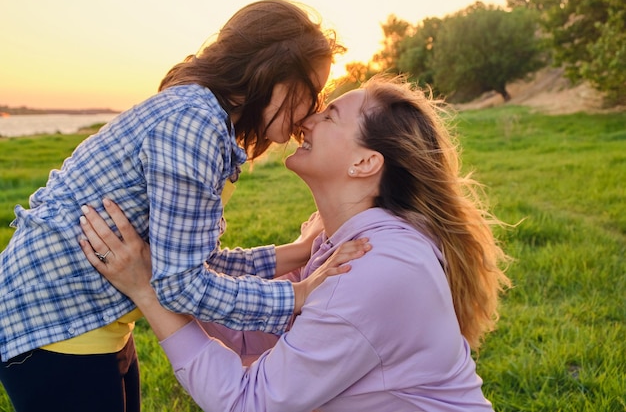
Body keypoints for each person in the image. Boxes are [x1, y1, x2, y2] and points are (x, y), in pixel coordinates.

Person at [0, 0, 356, 412]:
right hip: (54, 322)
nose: (310, 113)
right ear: (272, 71)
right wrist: (296, 296)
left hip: (93, 319)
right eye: (312, 92)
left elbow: (185, 262)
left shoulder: (204, 119)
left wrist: (299, 253)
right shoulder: (194, 123)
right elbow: (180, 285)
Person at [79, 75, 513, 412]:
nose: (307, 120)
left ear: (365, 163)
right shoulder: (345, 243)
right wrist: (171, 265)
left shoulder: (377, 267)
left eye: (330, 116)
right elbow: (253, 339)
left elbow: (248, 402)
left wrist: (148, 290)